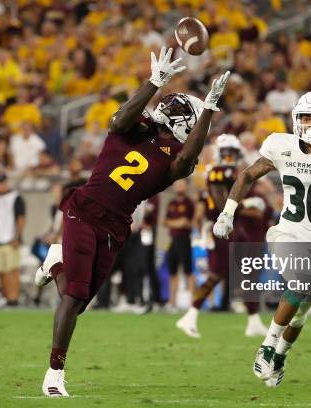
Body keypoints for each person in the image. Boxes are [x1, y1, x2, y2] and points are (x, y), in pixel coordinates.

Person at [33, 47, 230, 397]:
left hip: (115, 226)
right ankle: (54, 374)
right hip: (86, 208)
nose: (171, 106)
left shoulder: (176, 160)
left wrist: (209, 110)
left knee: (77, 302)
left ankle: (56, 262)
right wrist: (154, 81)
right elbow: (118, 118)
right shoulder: (134, 128)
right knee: (73, 298)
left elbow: (187, 160)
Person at [212, 91, 311, 387]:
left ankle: (281, 356)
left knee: (301, 313)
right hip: (287, 232)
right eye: (307, 117)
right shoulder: (280, 144)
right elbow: (247, 175)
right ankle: (268, 346)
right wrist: (227, 212)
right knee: (298, 284)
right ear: (296, 119)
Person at [177, 134, 269, 338]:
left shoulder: (224, 172)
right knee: (218, 274)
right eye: (226, 153)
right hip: (221, 230)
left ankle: (253, 321)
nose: (229, 157)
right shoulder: (219, 172)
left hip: (227, 230)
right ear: (219, 153)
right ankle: (190, 316)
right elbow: (221, 206)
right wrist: (247, 205)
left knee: (246, 275)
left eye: (232, 153)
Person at [0, 173, 25, 307]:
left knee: (12, 270)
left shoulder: (15, 197)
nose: (0, 186)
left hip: (10, 239)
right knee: (1, 271)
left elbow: (21, 218)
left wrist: (17, 237)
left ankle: (14, 298)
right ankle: (7, 298)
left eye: (2, 183)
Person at [164, 179, 195, 311]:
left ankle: (193, 303)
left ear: (186, 187)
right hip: (173, 240)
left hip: (184, 240)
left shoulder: (189, 203)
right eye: (177, 184)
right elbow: (165, 221)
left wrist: (176, 223)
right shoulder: (171, 203)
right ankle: (172, 302)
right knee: (172, 272)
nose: (179, 187)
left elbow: (189, 223)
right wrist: (178, 223)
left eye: (182, 185)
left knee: (188, 271)